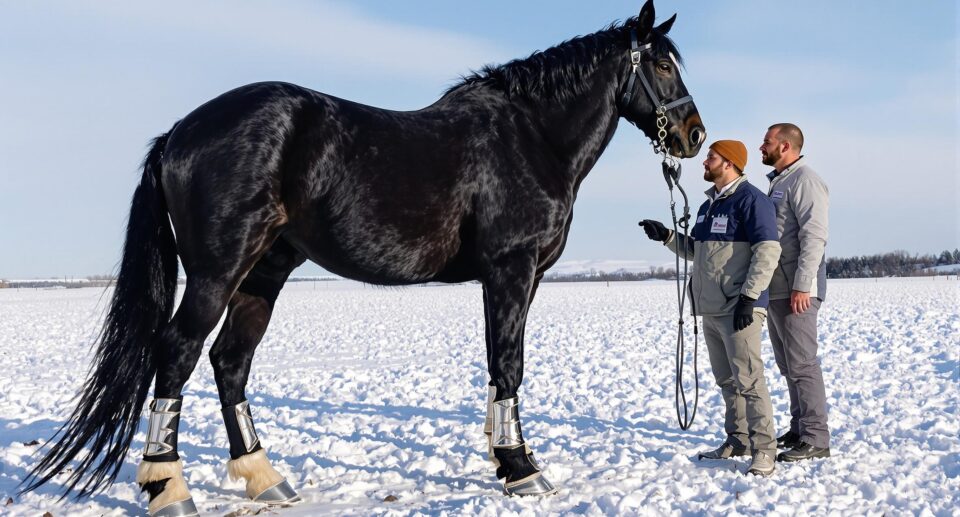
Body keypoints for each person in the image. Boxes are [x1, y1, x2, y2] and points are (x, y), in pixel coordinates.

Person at [640, 140, 781, 476]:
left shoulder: (751, 201)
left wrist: (749, 298)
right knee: (727, 381)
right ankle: (738, 439)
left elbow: (768, 251)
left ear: (729, 163)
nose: (705, 161)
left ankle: (764, 450)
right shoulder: (708, 206)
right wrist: (667, 236)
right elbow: (698, 250)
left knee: (749, 380)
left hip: (740, 307)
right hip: (711, 307)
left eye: (711, 157)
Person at [759, 123, 831, 462]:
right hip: (777, 288)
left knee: (802, 364)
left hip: (796, 289)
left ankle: (816, 437)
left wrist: (804, 284)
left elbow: (814, 237)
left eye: (767, 141)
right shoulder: (779, 181)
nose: (762, 146)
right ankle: (799, 427)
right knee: (787, 364)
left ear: (785, 146)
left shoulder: (806, 181)